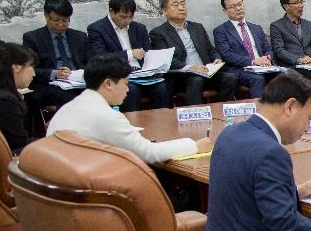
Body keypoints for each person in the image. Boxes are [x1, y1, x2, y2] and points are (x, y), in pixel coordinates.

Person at [196, 72, 311, 231]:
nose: (308, 128)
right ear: (291, 106)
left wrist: (294, 192)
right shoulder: (271, 152)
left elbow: (244, 193)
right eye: (309, 118)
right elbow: (282, 221)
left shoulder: (229, 133)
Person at [46, 53, 210, 163]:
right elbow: (148, 153)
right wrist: (195, 145)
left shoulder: (71, 106)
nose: (127, 89)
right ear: (108, 84)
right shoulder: (104, 115)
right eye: (125, 84)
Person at [149, 0, 237, 105]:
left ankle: (220, 110)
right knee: (196, 80)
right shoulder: (158, 33)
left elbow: (211, 50)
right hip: (182, 77)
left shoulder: (197, 27)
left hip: (207, 72)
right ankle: (197, 117)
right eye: (176, 5)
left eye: (183, 4)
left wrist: (216, 58)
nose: (181, 8)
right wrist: (191, 67)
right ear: (165, 11)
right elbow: (166, 60)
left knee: (230, 78)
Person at [86, 0, 171, 112]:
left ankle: (161, 124)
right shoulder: (97, 29)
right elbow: (100, 57)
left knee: (161, 88)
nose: (127, 21)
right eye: (123, 17)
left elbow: (148, 52)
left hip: (141, 74)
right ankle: (132, 126)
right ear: (111, 12)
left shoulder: (139, 28)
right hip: (118, 76)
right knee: (131, 90)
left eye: (130, 17)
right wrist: (130, 54)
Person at [22, 0, 91, 112]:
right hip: (49, 84)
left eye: (65, 20)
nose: (60, 24)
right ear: (46, 15)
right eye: (56, 20)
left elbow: (91, 62)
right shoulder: (32, 38)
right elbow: (30, 70)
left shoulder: (80, 37)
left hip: (78, 82)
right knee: (74, 99)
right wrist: (55, 73)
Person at [213, 0, 278, 98]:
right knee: (257, 79)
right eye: (233, 7)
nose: (238, 8)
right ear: (225, 11)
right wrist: (253, 61)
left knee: (286, 75)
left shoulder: (256, 28)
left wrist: (267, 58)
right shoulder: (220, 31)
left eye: (240, 4)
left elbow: (268, 48)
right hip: (239, 69)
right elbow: (227, 55)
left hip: (263, 67)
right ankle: (259, 113)